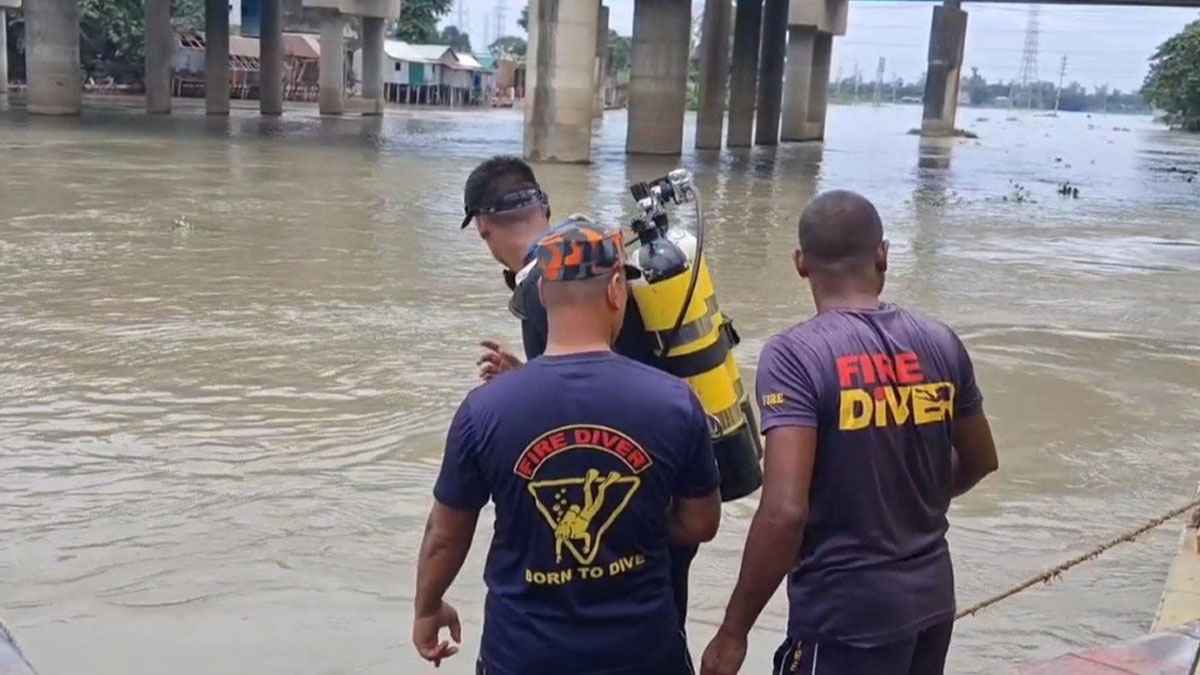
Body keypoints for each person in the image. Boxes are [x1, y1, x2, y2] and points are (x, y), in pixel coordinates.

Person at [700, 191, 999, 675]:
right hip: (931, 602)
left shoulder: (794, 356)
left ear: (801, 264)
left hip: (845, 617)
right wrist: (903, 502)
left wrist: (733, 632)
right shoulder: (940, 341)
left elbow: (784, 511)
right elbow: (981, 459)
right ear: (883, 254)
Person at [414, 220, 722, 675]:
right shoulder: (675, 401)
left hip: (522, 655)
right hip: (643, 654)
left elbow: (445, 534)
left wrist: (427, 609)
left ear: (541, 296)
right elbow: (700, 523)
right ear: (617, 290)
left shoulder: (485, 409)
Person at [460, 155, 704, 628]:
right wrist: (526, 376)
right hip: (669, 482)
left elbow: (572, 414)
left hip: (630, 513)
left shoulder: (541, 286)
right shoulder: (593, 260)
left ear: (483, 227)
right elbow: (593, 373)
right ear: (545, 208)